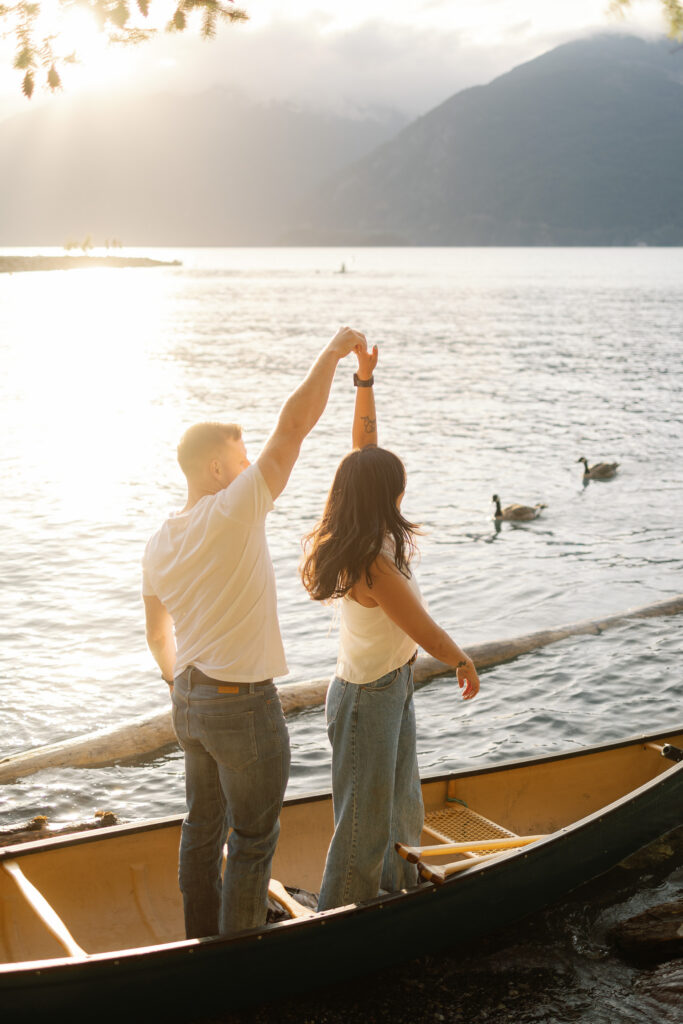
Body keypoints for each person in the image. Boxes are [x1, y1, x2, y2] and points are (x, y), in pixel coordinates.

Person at [142, 325, 367, 938]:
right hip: (241, 704)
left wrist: (177, 686)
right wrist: (332, 354)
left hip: (188, 699)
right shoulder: (234, 507)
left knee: (201, 828)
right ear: (218, 468)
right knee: (251, 838)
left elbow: (157, 635)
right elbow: (293, 427)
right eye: (241, 461)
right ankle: (236, 959)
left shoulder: (159, 540)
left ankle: (199, 941)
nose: (252, 470)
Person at [301, 344, 481, 911]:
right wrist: (461, 659)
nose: (403, 491)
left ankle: (395, 900)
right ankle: (337, 923)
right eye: (397, 485)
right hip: (366, 697)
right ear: (384, 495)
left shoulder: (365, 526)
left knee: (401, 808)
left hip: (391, 685)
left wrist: (364, 380)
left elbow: (364, 449)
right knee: (362, 825)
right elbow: (423, 629)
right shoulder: (374, 565)